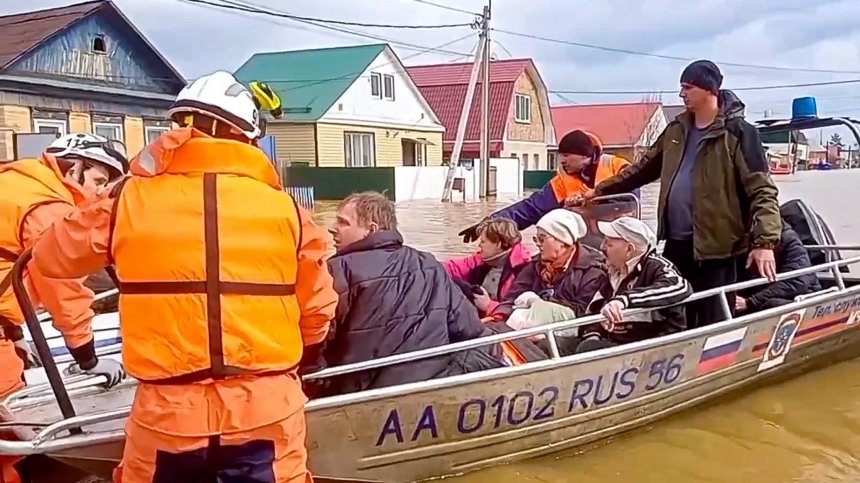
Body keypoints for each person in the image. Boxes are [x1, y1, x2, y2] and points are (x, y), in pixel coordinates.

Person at [32, 70, 338, 482]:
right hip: (265, 407)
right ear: (248, 137)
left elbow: (50, 259)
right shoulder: (289, 211)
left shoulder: (126, 198)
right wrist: (304, 360)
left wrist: (101, 197)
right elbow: (318, 310)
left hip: (168, 415)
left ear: (177, 127)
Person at [581, 60, 782, 328]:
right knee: (673, 312)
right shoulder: (676, 130)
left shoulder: (740, 133)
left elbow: (762, 191)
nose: (681, 94)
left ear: (709, 89)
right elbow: (642, 170)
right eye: (682, 87)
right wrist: (598, 191)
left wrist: (764, 243)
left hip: (718, 247)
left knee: (714, 316)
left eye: (688, 87)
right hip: (676, 242)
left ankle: (720, 350)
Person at [0, 133, 127, 483]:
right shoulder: (47, 209)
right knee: (6, 430)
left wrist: (13, 331)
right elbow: (63, 287)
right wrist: (88, 357)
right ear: (74, 168)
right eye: (98, 180)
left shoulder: (18, 183)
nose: (99, 192)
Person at [323, 192, 504, 396]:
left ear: (370, 230)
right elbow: (469, 328)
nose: (332, 228)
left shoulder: (333, 272)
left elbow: (317, 340)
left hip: (360, 392)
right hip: (432, 381)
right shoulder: (429, 264)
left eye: (343, 222)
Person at [458, 130, 633, 242]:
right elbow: (529, 209)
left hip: (620, 241)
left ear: (584, 156)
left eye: (567, 155)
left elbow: (629, 201)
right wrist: (491, 221)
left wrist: (591, 204)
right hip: (583, 248)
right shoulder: (561, 182)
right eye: (560, 156)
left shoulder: (618, 167)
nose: (562, 161)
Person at [493, 209, 612, 350]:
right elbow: (509, 300)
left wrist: (543, 305)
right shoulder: (534, 266)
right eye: (536, 239)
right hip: (527, 331)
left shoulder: (593, 270)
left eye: (542, 239)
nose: (538, 244)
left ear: (562, 241)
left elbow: (584, 312)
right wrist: (500, 318)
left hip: (571, 336)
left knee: (544, 345)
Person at [573, 217, 692, 353]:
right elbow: (595, 308)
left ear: (629, 250)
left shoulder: (656, 266)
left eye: (609, 244)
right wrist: (592, 334)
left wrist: (624, 300)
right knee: (555, 345)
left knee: (587, 348)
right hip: (616, 344)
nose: (602, 247)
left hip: (652, 348)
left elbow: (680, 286)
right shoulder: (613, 272)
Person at [444, 218, 531, 317]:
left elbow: (521, 313)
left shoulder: (523, 270)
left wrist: (488, 305)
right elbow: (453, 268)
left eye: (483, 241)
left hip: (501, 322)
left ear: (498, 244)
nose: (479, 245)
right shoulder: (482, 259)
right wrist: (430, 265)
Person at [736, 221, 821, 313]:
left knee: (772, 306)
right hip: (760, 296)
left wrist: (752, 302)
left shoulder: (788, 239)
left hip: (798, 297)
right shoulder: (742, 242)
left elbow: (797, 282)